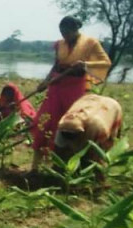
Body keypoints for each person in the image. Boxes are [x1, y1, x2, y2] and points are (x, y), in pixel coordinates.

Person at [29, 16, 111, 171]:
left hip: (75, 87)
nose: (64, 36)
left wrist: (85, 64)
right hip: (56, 86)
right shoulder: (59, 45)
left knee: (70, 125)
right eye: (62, 32)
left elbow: (105, 62)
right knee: (44, 122)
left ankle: (67, 166)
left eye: (67, 32)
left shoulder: (90, 43)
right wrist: (45, 82)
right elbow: (56, 65)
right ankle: (35, 167)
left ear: (75, 30)